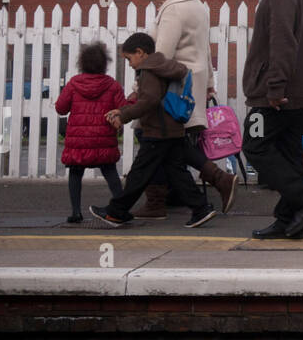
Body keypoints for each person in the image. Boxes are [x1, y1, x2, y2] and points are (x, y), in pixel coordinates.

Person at [135, 0, 234, 217]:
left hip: (171, 89)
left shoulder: (173, 9)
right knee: (172, 143)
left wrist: (141, 87)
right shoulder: (197, 5)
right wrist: (209, 83)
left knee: (154, 137)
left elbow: (162, 56)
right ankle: (188, 191)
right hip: (192, 84)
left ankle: (158, 201)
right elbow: (203, 48)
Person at [89, 33, 216, 228]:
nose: (130, 64)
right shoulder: (165, 66)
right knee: (177, 173)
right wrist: (122, 110)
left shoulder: (148, 71)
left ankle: (116, 212)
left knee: (139, 174)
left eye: (129, 58)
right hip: (173, 129)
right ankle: (201, 209)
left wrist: (123, 116)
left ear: (140, 53)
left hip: (157, 131)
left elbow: (149, 100)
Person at [242, 0, 303, 240]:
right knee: (290, 156)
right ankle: (290, 222)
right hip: (294, 91)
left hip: (277, 95)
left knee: (255, 145)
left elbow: (282, 42)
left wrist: (274, 88)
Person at [55, 41, 126, 224]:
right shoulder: (112, 85)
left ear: (82, 63)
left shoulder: (73, 84)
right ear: (105, 63)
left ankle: (76, 211)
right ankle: (122, 206)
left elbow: (61, 108)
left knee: (75, 173)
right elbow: (123, 110)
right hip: (103, 139)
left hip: (79, 141)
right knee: (110, 172)